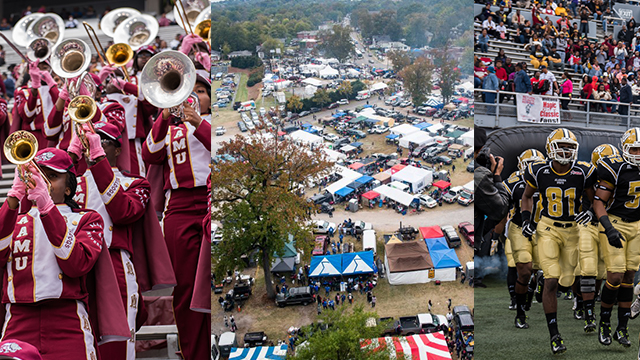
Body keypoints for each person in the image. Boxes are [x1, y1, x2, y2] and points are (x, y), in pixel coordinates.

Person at [0, 148, 127, 359]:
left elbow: (76, 264)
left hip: (67, 320)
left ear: (68, 189)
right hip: (18, 320)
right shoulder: (14, 218)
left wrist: (46, 207)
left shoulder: (87, 219)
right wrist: (13, 197)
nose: (43, 182)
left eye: (52, 177)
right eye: (38, 175)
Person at [521, 128, 596, 354]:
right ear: (550, 147)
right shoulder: (538, 171)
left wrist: (591, 212)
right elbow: (526, 197)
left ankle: (544, 279)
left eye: (570, 147)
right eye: (561, 146)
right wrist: (526, 219)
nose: (565, 151)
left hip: (574, 230)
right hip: (548, 228)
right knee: (553, 282)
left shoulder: (584, 172)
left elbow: (594, 201)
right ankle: (555, 335)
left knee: (566, 280)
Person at [589, 130, 640, 348]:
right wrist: (608, 228)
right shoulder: (615, 167)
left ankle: (622, 327)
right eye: (635, 149)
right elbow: (599, 201)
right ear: (625, 149)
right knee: (616, 275)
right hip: (616, 223)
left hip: (637, 225)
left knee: (629, 275)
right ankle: (604, 323)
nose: (639, 154)